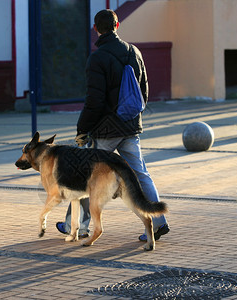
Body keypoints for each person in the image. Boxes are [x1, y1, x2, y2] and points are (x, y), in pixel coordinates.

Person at [56, 9, 169, 242]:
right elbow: (143, 92)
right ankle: (158, 222)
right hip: (130, 127)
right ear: (117, 26)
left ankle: (75, 226)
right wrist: (130, 115)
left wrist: (82, 129)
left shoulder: (97, 58)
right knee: (140, 174)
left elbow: (95, 101)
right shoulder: (134, 52)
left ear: (96, 29)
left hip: (105, 132)